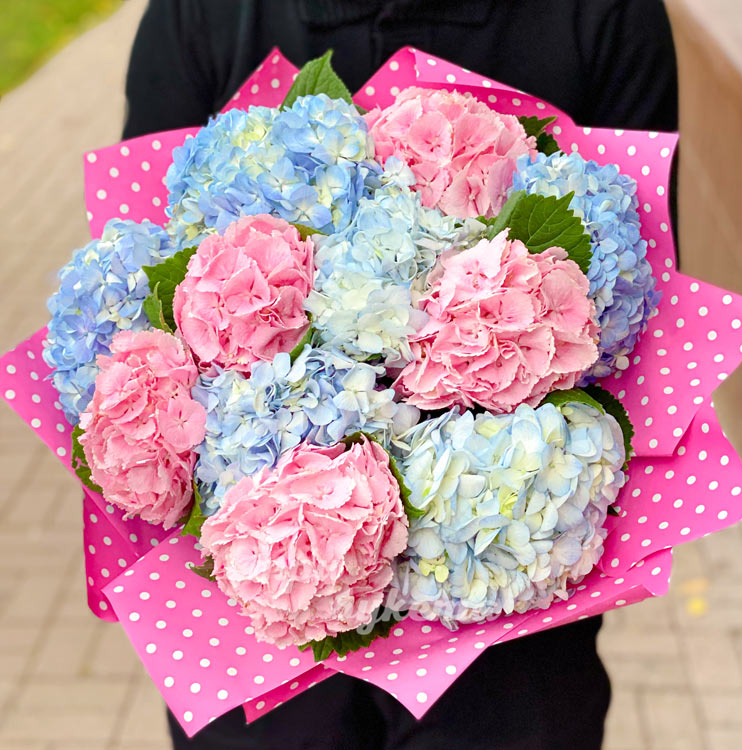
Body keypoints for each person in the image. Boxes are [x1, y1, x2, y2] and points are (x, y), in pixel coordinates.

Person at [122, 2, 678, 748]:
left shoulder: (607, 14)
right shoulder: (200, 15)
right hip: (261, 653)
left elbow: (642, 314)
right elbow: (143, 296)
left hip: (510, 645)